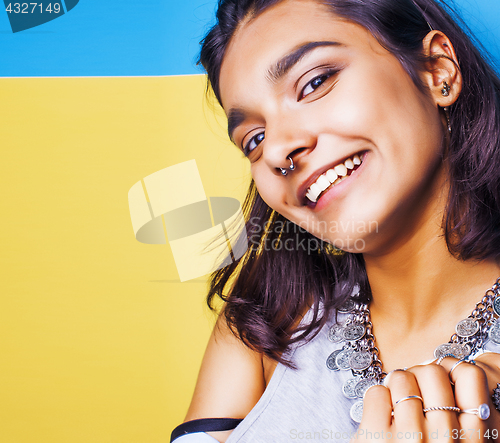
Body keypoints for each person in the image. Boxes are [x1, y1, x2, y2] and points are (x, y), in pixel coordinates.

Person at [171, 0, 500, 441]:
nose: (276, 152)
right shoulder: (266, 327)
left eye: (314, 83)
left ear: (437, 70)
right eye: (254, 138)